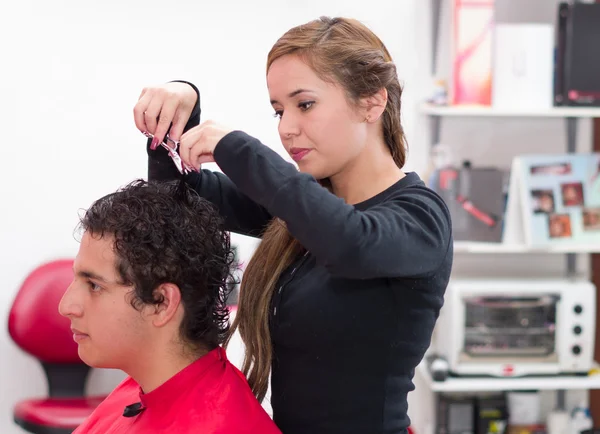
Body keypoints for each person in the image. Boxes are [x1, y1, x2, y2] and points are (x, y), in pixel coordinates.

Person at [134, 16, 453, 434]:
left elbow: (350, 242)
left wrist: (239, 149)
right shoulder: (302, 211)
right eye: (279, 111)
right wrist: (181, 107)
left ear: (372, 103)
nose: (287, 128)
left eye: (305, 105)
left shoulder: (420, 216)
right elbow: (177, 199)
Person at [58, 179, 281, 434]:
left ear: (162, 303)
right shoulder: (145, 385)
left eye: (94, 285)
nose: (66, 306)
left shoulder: (222, 425)